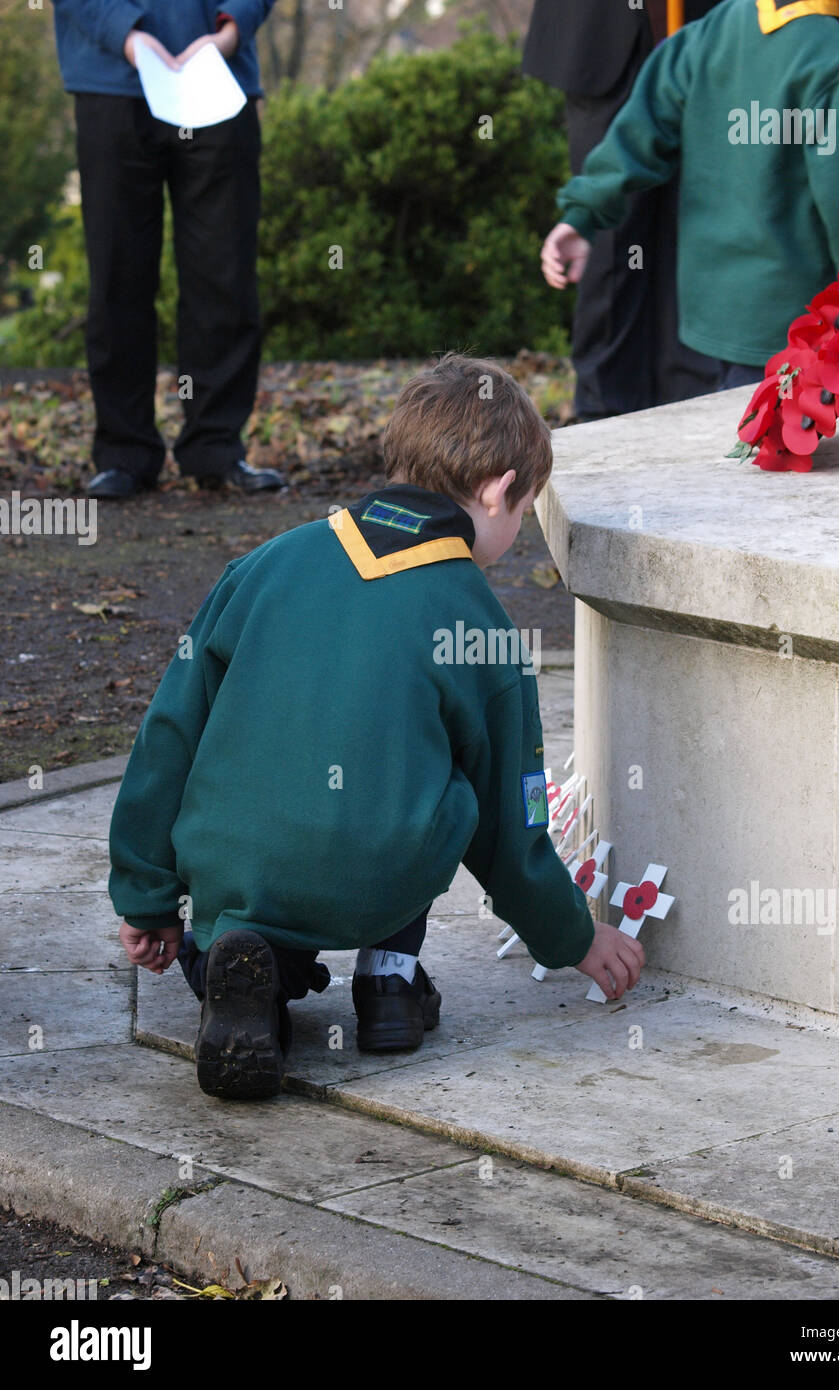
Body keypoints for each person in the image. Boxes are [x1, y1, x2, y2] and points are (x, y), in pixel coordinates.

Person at [110, 353, 646, 1100]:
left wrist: (146, 893)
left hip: (240, 869)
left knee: (244, 912)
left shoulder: (265, 563)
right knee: (436, 780)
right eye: (523, 512)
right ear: (497, 492)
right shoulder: (482, 627)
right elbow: (508, 821)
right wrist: (573, 936)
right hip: (374, 881)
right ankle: (388, 985)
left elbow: (168, 732)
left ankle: (239, 970)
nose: (517, 528)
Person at [541, 0, 839, 391]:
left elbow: (638, 131)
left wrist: (583, 216)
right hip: (800, 335)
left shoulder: (715, 26)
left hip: (709, 325)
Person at [50, 1, 284, 499]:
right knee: (118, 275)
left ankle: (217, 448)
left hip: (219, 79)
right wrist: (126, 35)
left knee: (224, 274)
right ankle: (123, 453)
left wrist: (228, 32)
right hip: (109, 79)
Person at [522, 0, 724, 418]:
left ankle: (691, 404)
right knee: (612, 237)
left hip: (706, 29)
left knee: (696, 221)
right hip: (602, 32)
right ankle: (603, 416)